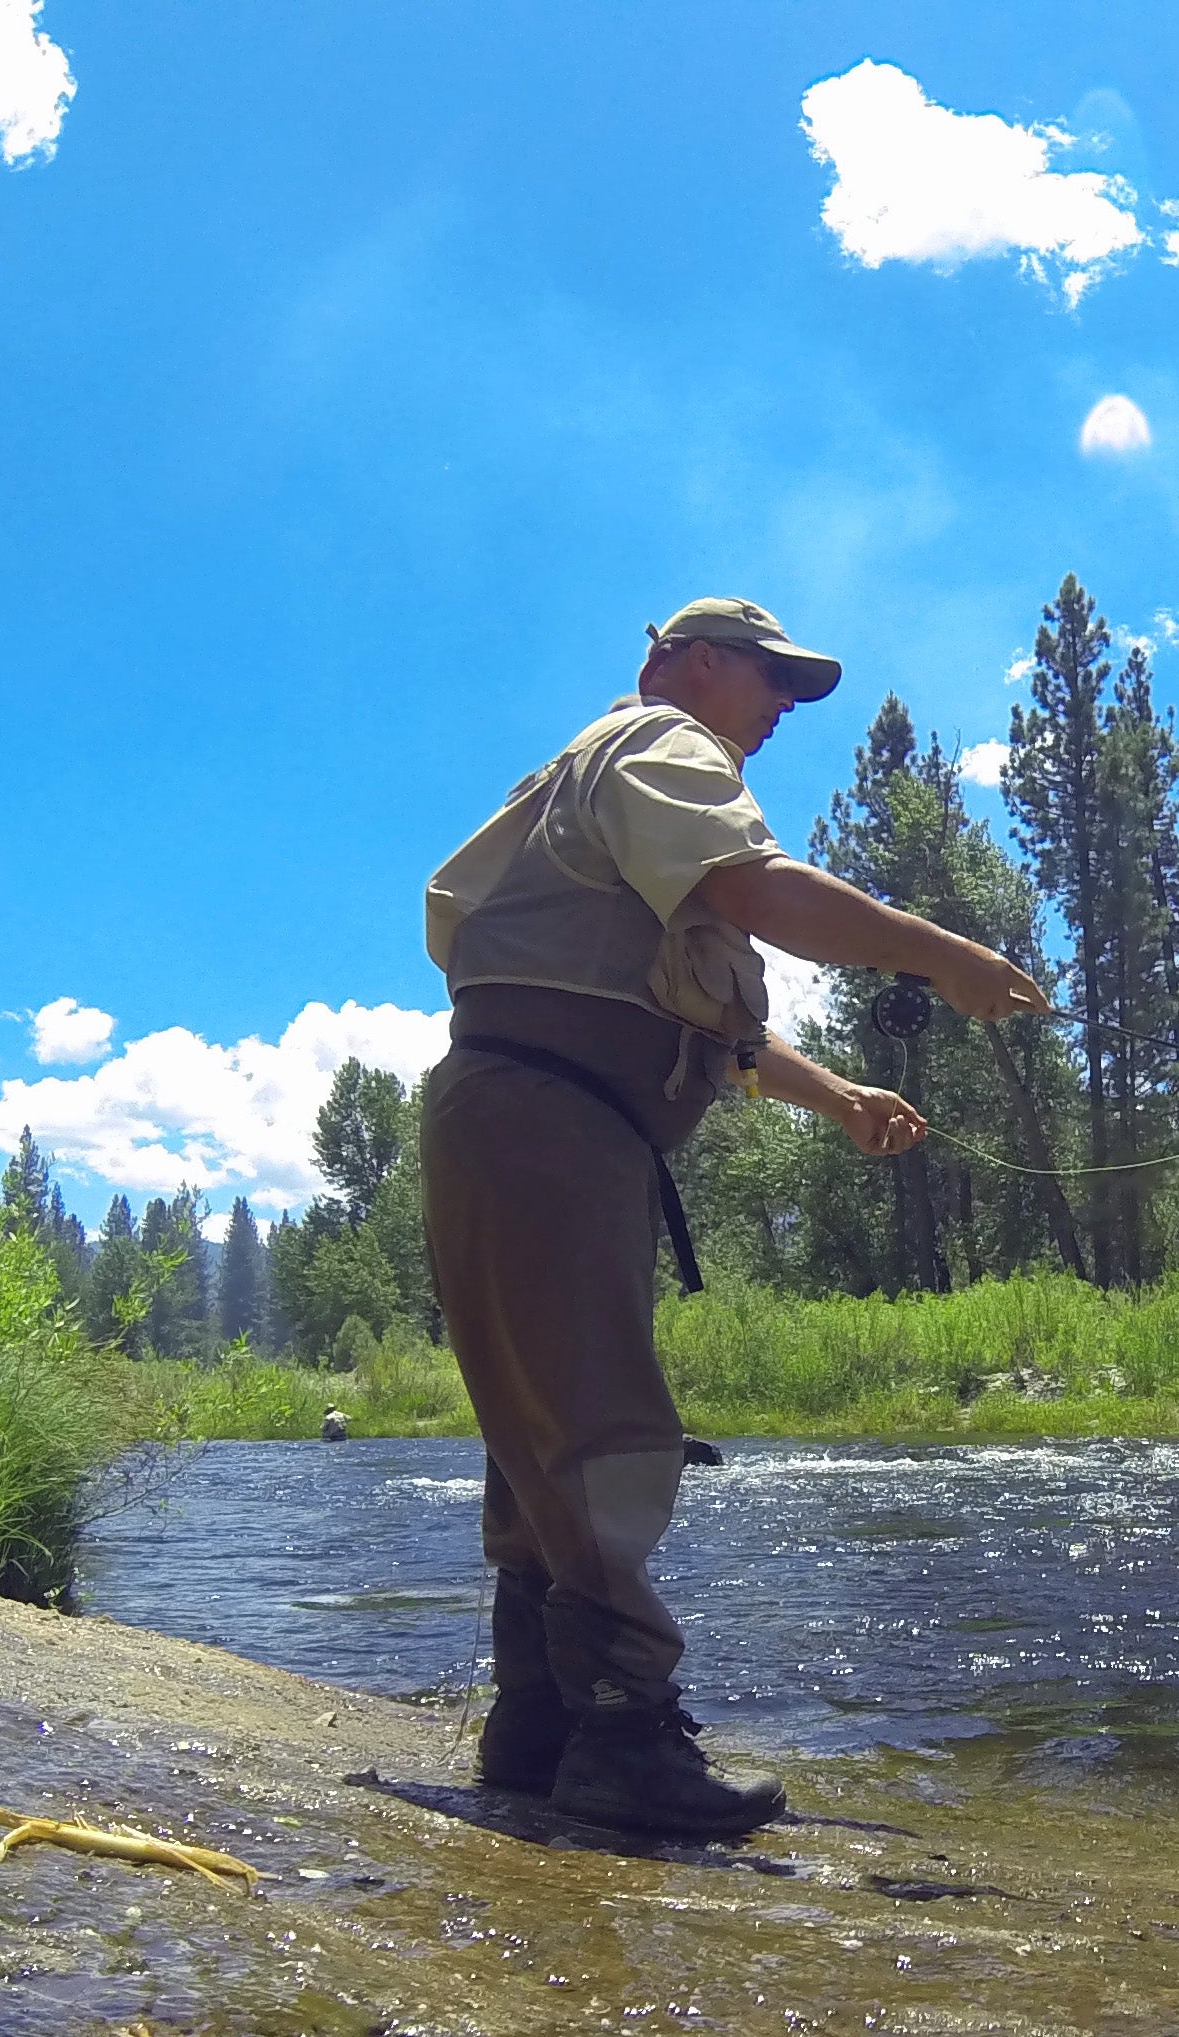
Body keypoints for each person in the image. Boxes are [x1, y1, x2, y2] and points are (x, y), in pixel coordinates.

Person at [420, 597, 1048, 1839]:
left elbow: (716, 1028)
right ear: (689, 663)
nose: (779, 712)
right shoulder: (662, 746)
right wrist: (940, 954)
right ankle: (624, 1743)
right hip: (551, 1130)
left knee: (541, 1430)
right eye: (771, 681)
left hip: (526, 1122)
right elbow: (756, 890)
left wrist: (842, 1099)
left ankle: (539, 1727)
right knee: (600, 1425)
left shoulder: (585, 779)